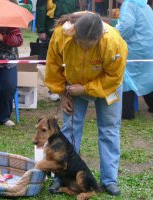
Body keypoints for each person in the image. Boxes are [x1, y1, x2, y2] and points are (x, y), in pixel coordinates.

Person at [45, 12, 128, 195]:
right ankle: (63, 177)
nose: (85, 48)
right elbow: (53, 65)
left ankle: (109, 180)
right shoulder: (62, 34)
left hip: (108, 87)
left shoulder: (113, 41)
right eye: (81, 43)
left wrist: (85, 89)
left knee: (109, 129)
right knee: (70, 129)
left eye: (90, 45)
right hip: (74, 85)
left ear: (100, 37)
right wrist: (62, 94)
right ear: (74, 33)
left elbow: (114, 77)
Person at [116, 0, 153, 119]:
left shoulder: (129, 4)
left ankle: (127, 112)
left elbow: (126, 27)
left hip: (135, 48)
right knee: (146, 78)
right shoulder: (145, 5)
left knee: (127, 79)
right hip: (148, 48)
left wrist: (113, 32)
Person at [36, 0, 78, 101]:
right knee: (54, 62)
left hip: (71, 28)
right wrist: (41, 30)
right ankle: (54, 90)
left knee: (70, 60)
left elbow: (77, 8)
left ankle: (69, 88)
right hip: (52, 29)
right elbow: (40, 9)